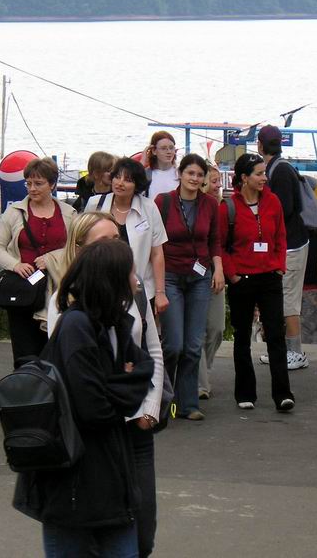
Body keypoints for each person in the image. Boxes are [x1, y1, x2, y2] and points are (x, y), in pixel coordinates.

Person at [13, 239, 154, 558]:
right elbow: (94, 409)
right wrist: (123, 388)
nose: (137, 280)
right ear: (112, 278)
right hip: (71, 481)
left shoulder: (116, 322)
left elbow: (143, 369)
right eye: (132, 272)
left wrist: (117, 387)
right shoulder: (77, 325)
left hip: (110, 476)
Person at [46, 211, 164, 557]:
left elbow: (149, 358)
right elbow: (85, 394)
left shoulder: (128, 303)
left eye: (117, 239)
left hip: (133, 431)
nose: (116, 247)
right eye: (105, 242)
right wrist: (126, 385)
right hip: (84, 445)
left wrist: (149, 408)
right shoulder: (69, 313)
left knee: (141, 535)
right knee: (88, 534)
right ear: (85, 252)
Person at [219, 153, 294, 412]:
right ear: (244, 178)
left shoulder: (273, 202)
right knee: (242, 336)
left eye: (265, 173)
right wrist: (232, 275)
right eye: (259, 174)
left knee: (276, 335)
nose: (264, 178)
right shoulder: (228, 207)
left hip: (270, 277)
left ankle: (282, 394)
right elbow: (220, 245)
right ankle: (245, 393)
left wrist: (279, 266)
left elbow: (281, 237)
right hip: (242, 279)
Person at [155, 154, 224, 421]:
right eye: (190, 173)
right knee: (174, 344)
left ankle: (188, 404)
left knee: (194, 344)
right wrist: (157, 287)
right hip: (171, 276)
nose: (195, 179)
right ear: (180, 174)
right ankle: (163, 400)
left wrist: (218, 269)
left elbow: (214, 240)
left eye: (199, 175)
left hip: (200, 277)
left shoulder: (210, 204)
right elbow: (156, 243)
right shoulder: (164, 202)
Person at [0, 157, 75, 364]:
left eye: (38, 183)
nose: (32, 189)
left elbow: (77, 248)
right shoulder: (14, 212)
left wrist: (53, 259)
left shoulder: (68, 213)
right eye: (28, 183)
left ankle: (53, 383)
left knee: (55, 348)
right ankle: (25, 381)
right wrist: (15, 265)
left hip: (58, 286)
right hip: (24, 288)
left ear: (52, 185)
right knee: (24, 350)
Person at [85, 158, 170, 314]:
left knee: (139, 327)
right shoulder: (95, 204)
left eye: (128, 180)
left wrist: (160, 292)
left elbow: (157, 253)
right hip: (101, 285)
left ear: (137, 185)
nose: (120, 183)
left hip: (139, 288)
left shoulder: (149, 207)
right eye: (117, 177)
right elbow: (83, 244)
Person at [258, 125, 309, 370]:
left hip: (291, 245)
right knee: (280, 298)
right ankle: (281, 351)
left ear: (260, 145)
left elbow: (284, 209)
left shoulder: (278, 171)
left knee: (289, 300)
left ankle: (295, 352)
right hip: (290, 243)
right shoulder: (280, 168)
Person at [198, 162, 225, 399]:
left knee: (217, 328)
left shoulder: (222, 207)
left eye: (219, 181)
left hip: (216, 272)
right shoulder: (195, 208)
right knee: (197, 329)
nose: (218, 186)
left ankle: (204, 371)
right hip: (195, 273)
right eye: (213, 181)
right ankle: (200, 383)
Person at [143, 130, 180, 199]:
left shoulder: (180, 173)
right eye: (163, 148)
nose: (169, 151)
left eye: (171, 148)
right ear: (154, 151)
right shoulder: (146, 175)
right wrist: (142, 161)